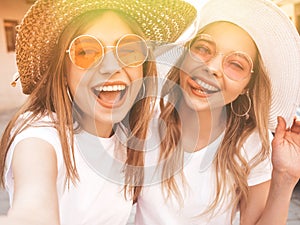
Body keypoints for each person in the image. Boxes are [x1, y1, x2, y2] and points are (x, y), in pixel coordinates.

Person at [0, 0, 197, 225]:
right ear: (63, 70)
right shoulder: (41, 136)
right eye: (86, 52)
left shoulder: (130, 135)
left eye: (129, 50)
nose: (111, 67)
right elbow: (33, 202)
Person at [135, 0, 300, 224]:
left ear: (247, 87)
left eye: (236, 64)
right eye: (203, 49)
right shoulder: (146, 120)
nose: (211, 68)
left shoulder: (250, 144)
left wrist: (286, 177)